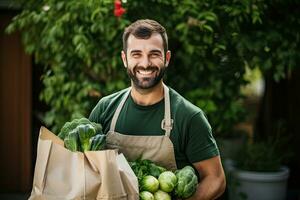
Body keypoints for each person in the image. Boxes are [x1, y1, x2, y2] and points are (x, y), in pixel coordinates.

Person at [89, 19, 226, 199]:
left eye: (154, 54)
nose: (145, 63)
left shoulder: (189, 116)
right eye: (136, 54)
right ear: (125, 59)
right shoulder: (105, 109)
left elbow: (216, 179)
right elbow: (85, 169)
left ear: (167, 58)